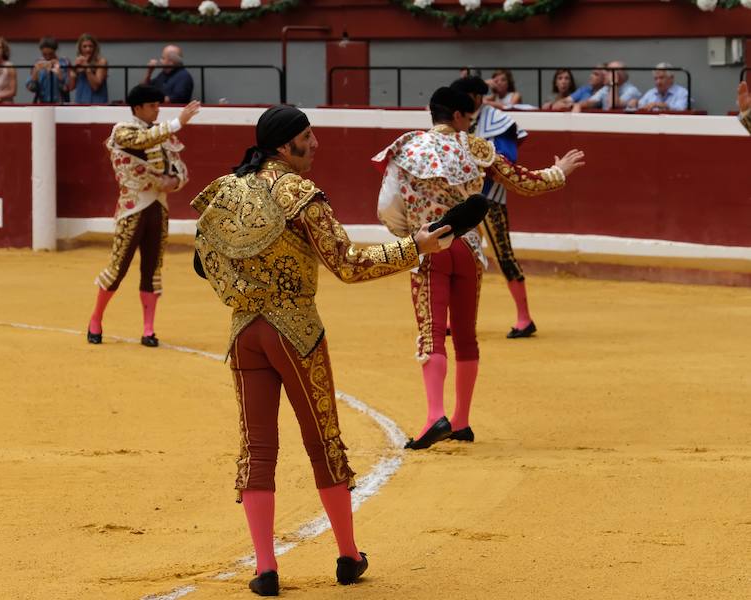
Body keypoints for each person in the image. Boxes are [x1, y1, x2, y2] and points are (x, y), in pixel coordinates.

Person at [191, 105, 452, 596]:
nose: (316, 145)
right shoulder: (298, 193)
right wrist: (413, 247)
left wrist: (248, 287)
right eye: (308, 137)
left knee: (257, 448)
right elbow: (347, 264)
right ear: (286, 144)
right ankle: (349, 556)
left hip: (244, 329)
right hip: (296, 329)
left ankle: (265, 568)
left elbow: (204, 264)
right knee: (323, 441)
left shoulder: (226, 189)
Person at [373, 87, 585, 450]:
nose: (472, 122)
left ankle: (434, 416)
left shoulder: (407, 148)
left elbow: (387, 204)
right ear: (457, 116)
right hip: (469, 250)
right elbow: (522, 181)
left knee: (432, 333)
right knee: (466, 336)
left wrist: (408, 235)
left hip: (429, 249)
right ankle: (461, 420)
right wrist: (558, 173)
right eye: (469, 116)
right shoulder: (475, 148)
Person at [87, 85, 200, 347]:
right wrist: (177, 122)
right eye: (152, 105)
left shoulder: (162, 136)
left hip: (158, 208)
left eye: (158, 105)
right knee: (118, 268)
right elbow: (142, 141)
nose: (157, 109)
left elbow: (180, 168)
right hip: (132, 208)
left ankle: (148, 330)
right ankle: (95, 319)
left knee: (152, 269)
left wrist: (174, 181)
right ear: (137, 108)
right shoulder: (123, 131)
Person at [450, 75, 538, 338]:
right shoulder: (461, 121)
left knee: (503, 255)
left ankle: (525, 318)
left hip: (490, 199)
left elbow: (507, 159)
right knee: (459, 257)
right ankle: (459, 320)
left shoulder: (497, 121)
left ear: (477, 97)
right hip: (463, 198)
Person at [26, 37, 70, 104]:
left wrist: (60, 76)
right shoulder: (38, 63)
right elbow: (31, 88)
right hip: (41, 104)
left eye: (51, 54)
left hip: (60, 104)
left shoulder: (64, 62)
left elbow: (68, 88)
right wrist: (35, 75)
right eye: (44, 54)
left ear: (55, 50)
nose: (48, 57)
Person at [70, 33, 109, 104]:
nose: (88, 49)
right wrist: (73, 71)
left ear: (95, 48)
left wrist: (87, 68)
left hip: (97, 103)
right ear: (80, 48)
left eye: (91, 46)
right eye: (84, 46)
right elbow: (71, 87)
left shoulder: (101, 61)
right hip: (80, 103)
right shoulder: (78, 62)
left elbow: (95, 86)